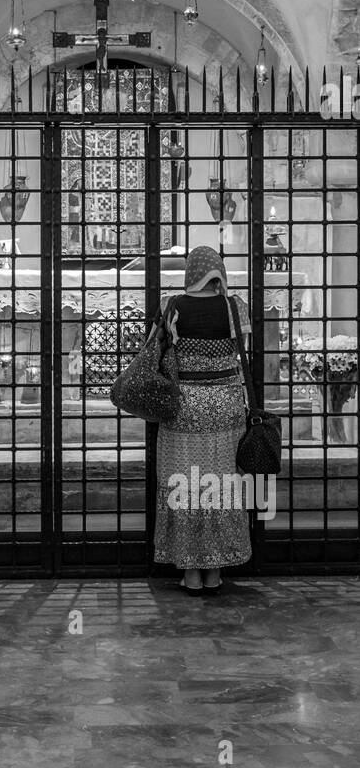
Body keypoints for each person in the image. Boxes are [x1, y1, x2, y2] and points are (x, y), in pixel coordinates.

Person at [153, 245, 252, 595]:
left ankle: (191, 574)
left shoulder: (173, 307)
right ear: (218, 273)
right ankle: (215, 572)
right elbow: (243, 354)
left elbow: (158, 352)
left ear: (191, 273)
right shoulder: (234, 307)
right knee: (219, 488)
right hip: (225, 409)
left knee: (184, 487)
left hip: (184, 408)